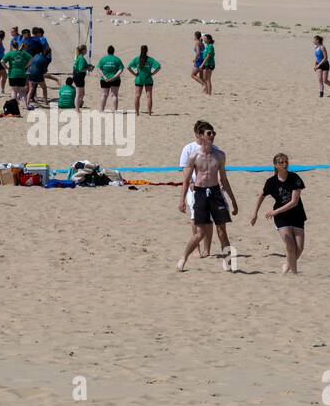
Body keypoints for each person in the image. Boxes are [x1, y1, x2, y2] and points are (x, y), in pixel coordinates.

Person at [176, 122, 238, 271]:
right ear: (202, 136)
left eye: (213, 133)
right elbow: (186, 180)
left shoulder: (220, 155)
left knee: (222, 230)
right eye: (209, 133)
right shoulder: (194, 156)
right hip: (200, 192)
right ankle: (184, 258)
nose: (212, 136)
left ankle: (229, 263)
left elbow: (224, 179)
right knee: (200, 233)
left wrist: (234, 201)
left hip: (215, 192)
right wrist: (182, 200)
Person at [251, 152, 306, 274]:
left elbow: (294, 202)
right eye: (281, 162)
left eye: (286, 162)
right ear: (276, 165)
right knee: (290, 246)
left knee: (300, 248)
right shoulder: (271, 182)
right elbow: (261, 196)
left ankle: (287, 265)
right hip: (282, 218)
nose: (285, 164)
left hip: (297, 215)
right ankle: (295, 274)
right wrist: (255, 214)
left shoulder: (295, 178)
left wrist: (275, 211)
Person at [127, 45, 161, 115]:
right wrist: (153, 73)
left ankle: (137, 112)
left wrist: (134, 74)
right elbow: (159, 66)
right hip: (148, 79)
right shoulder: (150, 59)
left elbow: (128, 67)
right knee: (149, 96)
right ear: (147, 51)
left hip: (139, 79)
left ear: (140, 50)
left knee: (137, 96)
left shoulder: (137, 59)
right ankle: (149, 113)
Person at [96, 45, 124, 111]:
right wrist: (114, 77)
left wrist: (104, 76)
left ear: (107, 51)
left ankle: (102, 110)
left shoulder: (103, 59)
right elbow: (121, 69)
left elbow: (98, 68)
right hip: (115, 79)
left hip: (104, 79)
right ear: (113, 51)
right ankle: (115, 110)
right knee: (114, 95)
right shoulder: (117, 59)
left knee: (104, 95)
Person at [71, 45, 91, 109]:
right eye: (86, 49)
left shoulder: (79, 57)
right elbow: (80, 69)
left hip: (78, 76)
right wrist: (88, 69)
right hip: (78, 76)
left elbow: (83, 66)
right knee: (79, 94)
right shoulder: (81, 58)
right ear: (83, 50)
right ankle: (77, 108)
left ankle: (78, 105)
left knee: (82, 93)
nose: (87, 51)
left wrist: (89, 66)